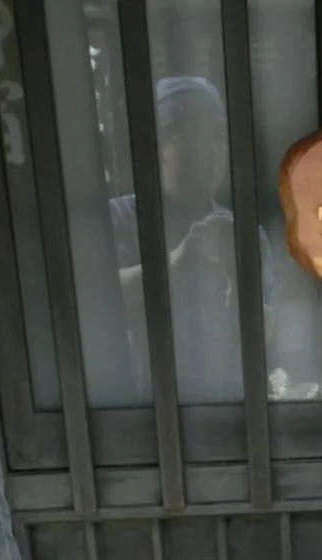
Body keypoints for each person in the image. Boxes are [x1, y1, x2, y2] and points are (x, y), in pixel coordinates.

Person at [110, 76, 271, 403]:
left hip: (225, 416)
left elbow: (263, 338)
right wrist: (177, 261)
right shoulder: (121, 218)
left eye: (219, 136)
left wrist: (240, 278)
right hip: (137, 417)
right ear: (158, 145)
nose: (211, 149)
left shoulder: (242, 232)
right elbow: (99, 303)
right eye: (194, 134)